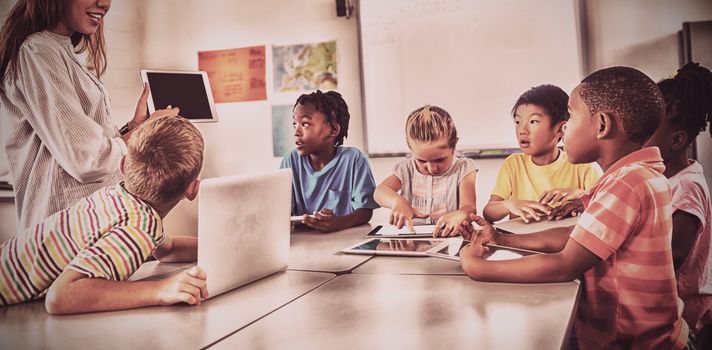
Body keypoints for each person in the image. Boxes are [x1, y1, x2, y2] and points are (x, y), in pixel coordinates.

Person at [461, 67, 690, 349]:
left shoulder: (628, 183)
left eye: (570, 116)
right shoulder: (635, 175)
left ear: (602, 125)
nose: (563, 127)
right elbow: (579, 233)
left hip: (636, 343)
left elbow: (566, 264)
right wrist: (504, 239)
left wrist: (476, 268)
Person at [0, 115, 207, 314]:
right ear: (193, 190)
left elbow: (167, 250)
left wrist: (219, 245)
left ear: (123, 165)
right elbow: (61, 296)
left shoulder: (118, 196)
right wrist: (160, 290)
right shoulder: (140, 228)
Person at [0, 0, 178, 230]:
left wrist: (133, 127)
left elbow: (80, 142)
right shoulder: (39, 51)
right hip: (67, 229)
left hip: (89, 221)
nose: (104, 3)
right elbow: (86, 159)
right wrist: (143, 133)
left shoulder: (59, 50)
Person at [645, 62, 712, 345]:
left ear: (677, 140)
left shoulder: (686, 187)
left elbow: (672, 257)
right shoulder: (664, 177)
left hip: (686, 318)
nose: (637, 139)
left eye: (646, 132)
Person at [483, 85, 599, 223]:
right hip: (519, 241)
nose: (522, 130)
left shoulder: (582, 165)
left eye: (533, 121)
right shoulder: (513, 164)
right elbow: (488, 212)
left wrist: (580, 195)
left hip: (563, 241)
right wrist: (508, 205)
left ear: (560, 129)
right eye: (518, 122)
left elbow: (601, 205)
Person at [280, 90, 379, 232]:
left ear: (333, 130)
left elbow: (365, 211)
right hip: (305, 243)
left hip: (345, 239)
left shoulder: (353, 160)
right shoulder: (291, 161)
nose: (296, 131)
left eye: (305, 124)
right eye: (294, 124)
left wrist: (338, 223)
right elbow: (282, 211)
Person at [374, 105, 476, 237]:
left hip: (451, 239)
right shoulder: (406, 169)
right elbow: (379, 192)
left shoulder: (463, 168)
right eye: (421, 161)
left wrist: (459, 216)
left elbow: (469, 208)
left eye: (439, 160)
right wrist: (398, 202)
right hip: (412, 239)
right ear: (411, 149)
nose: (431, 168)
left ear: (454, 146)